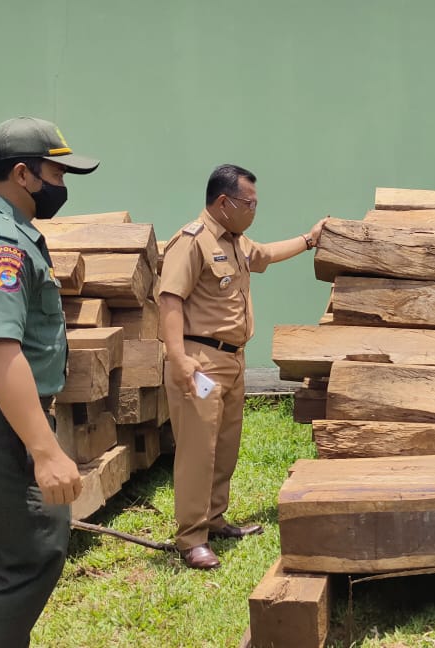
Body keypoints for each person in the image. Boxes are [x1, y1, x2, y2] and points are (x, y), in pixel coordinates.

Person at [0, 117, 98, 646]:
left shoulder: (3, 231)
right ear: (24, 174)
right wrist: (45, 450)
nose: (63, 184)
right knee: (34, 553)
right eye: (57, 172)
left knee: (4, 559)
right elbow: (1, 352)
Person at [159, 164, 326, 569]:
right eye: (249, 203)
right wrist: (178, 358)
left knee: (224, 447)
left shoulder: (235, 241)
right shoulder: (192, 242)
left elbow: (266, 255)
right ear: (223, 202)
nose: (254, 210)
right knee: (198, 452)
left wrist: (308, 240)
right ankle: (191, 537)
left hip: (232, 360)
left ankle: (214, 519)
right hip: (199, 361)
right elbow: (169, 300)